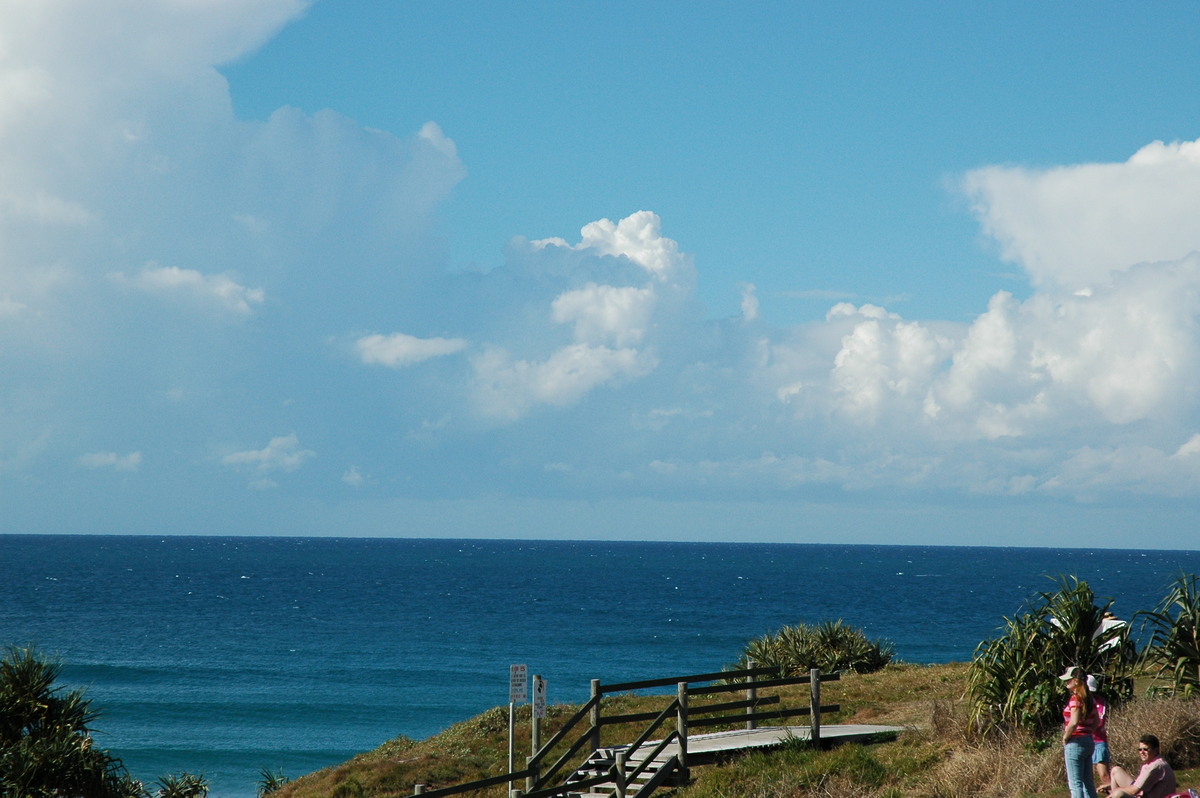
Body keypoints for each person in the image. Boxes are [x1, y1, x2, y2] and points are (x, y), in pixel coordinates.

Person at [1060, 665, 1100, 798]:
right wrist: (1088, 732)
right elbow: (1096, 721)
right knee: (1088, 782)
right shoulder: (1089, 699)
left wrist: (1066, 736)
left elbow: (1074, 720)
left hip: (1075, 742)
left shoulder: (1076, 698)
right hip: (1088, 741)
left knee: (1075, 784)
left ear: (1076, 681)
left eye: (1069, 679)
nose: (1066, 682)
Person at [1105, 734, 1177, 798]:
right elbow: (1138, 785)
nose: (1142, 752)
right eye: (1140, 749)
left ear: (1156, 750)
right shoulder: (1151, 763)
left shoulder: (1156, 766)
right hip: (1143, 794)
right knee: (1115, 770)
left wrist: (1114, 791)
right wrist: (1110, 787)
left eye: (1145, 749)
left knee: (1118, 794)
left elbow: (1133, 791)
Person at [1089, 674, 1111, 791]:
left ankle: (1113, 793)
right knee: (1087, 776)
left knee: (1104, 775)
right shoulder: (1079, 702)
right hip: (1085, 741)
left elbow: (1100, 722)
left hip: (1098, 742)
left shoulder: (1100, 702)